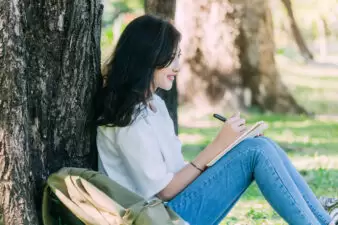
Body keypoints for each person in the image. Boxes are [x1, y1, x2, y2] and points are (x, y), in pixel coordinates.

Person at [94, 14, 337, 225]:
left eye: (178, 56)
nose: (178, 66)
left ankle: (325, 220)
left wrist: (230, 148)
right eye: (171, 57)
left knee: (260, 146)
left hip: (172, 208)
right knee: (256, 151)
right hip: (157, 218)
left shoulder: (154, 105)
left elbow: (177, 175)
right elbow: (165, 190)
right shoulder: (125, 121)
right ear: (148, 57)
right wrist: (216, 147)